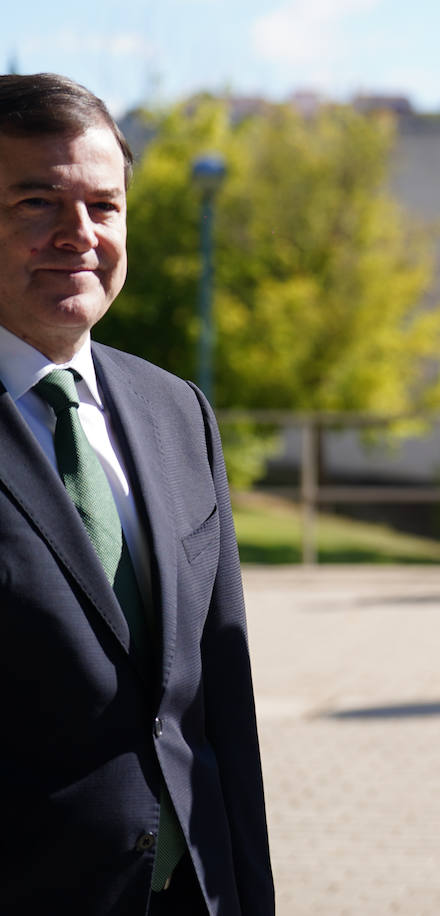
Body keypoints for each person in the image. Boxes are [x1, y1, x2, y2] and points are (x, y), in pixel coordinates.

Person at [0, 73, 273, 914]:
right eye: (38, 202)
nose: (78, 235)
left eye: (104, 206)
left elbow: (222, 700)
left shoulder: (177, 412)